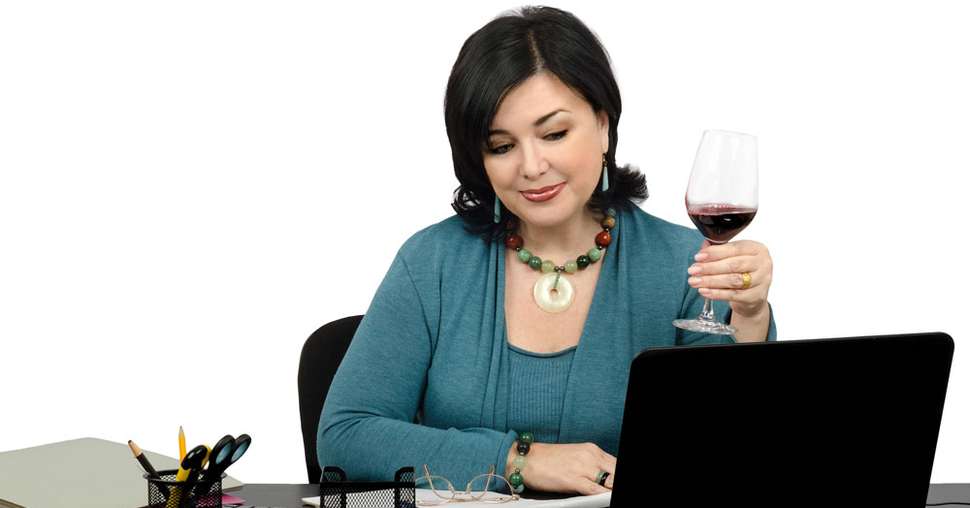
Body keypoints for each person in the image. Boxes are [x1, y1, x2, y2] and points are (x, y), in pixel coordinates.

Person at [317, 5, 776, 496]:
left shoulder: (686, 266)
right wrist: (519, 460)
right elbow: (346, 436)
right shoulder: (432, 263)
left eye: (554, 134)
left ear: (603, 125)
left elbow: (735, 452)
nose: (532, 166)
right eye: (501, 146)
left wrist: (749, 317)